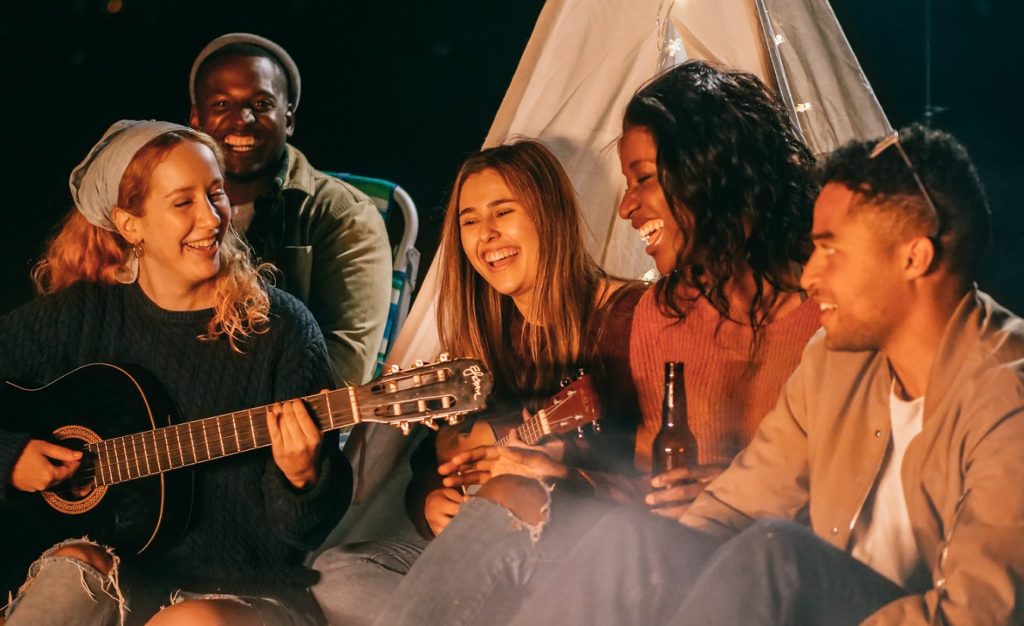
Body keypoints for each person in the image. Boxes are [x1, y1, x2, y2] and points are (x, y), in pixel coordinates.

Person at [387, 121, 1023, 625]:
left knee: (778, 554)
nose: (809, 273)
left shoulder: (1007, 391)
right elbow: (725, 510)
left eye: (830, 249)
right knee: (635, 543)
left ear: (914, 256)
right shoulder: (835, 361)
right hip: (786, 598)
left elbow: (980, 614)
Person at [368, 60, 823, 625]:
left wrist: (744, 497)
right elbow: (640, 490)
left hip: (765, 569)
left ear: (712, 170)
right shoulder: (664, 315)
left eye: (644, 179)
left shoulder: (831, 318)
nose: (626, 206)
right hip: (651, 552)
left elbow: (869, 501)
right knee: (348, 573)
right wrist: (556, 476)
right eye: (468, 221)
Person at [0, 120, 351, 626]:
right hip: (127, 580)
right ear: (131, 224)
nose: (211, 219)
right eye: (182, 202)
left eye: (215, 195)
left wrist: (302, 477)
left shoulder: (282, 328)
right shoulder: (84, 316)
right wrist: (10, 457)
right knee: (69, 568)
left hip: (246, 596)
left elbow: (303, 533)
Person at [312, 139, 645, 625]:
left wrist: (566, 477)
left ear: (548, 215)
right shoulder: (489, 336)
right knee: (335, 572)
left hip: (578, 565)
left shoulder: (627, 318)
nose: (486, 235)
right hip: (489, 573)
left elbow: (662, 479)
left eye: (503, 212)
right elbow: (437, 461)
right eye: (470, 221)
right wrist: (431, 502)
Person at [189, 33, 392, 386]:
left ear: (290, 119)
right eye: (222, 104)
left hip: (273, 427)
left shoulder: (343, 215)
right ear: (196, 118)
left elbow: (345, 366)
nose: (243, 120)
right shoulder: (168, 206)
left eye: (262, 103)